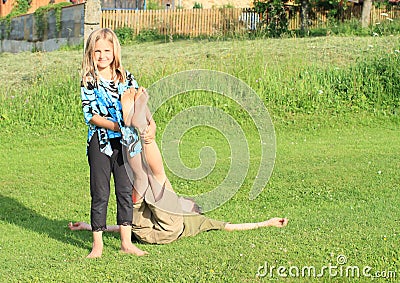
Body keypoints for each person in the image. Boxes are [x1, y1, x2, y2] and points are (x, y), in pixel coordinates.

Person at [71, 86, 289, 245]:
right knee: (142, 177)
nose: (184, 199)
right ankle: (139, 126)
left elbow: (231, 226)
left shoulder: (196, 219)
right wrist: (89, 226)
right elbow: (121, 225)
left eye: (187, 201)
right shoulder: (179, 213)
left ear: (193, 209)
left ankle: (143, 131)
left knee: (153, 176)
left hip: (168, 229)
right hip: (144, 229)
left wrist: (266, 223)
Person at [80, 28, 149, 258]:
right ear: (91, 53)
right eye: (97, 51)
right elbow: (90, 114)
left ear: (114, 51)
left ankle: (126, 243)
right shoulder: (89, 80)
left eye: (106, 50)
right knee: (100, 192)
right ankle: (97, 244)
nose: (102, 56)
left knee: (124, 190)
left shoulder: (126, 77)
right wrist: (116, 126)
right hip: (99, 143)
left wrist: (149, 123)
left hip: (125, 144)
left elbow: (139, 103)